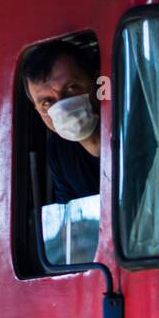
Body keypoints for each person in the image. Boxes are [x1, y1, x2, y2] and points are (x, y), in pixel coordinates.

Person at [22, 40, 102, 205]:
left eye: (72, 88)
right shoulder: (58, 149)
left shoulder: (132, 125)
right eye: (46, 102)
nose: (62, 107)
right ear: (38, 112)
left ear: (97, 84)